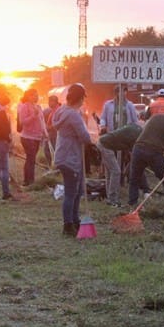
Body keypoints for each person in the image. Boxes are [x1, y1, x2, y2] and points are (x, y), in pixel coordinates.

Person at [129, 98, 164, 215]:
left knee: (134, 179)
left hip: (138, 148)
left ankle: (133, 206)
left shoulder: (155, 117)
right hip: (153, 151)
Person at [52, 83, 93, 237]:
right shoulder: (74, 115)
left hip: (63, 154)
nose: (83, 101)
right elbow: (85, 137)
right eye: (83, 98)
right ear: (79, 98)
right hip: (71, 157)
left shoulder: (61, 110)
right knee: (71, 192)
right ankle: (68, 225)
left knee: (75, 191)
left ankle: (74, 220)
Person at [98, 85, 140, 207]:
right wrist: (103, 126)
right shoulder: (108, 105)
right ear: (115, 93)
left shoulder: (129, 105)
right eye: (118, 92)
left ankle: (114, 192)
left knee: (116, 168)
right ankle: (112, 197)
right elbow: (103, 118)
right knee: (114, 170)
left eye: (123, 92)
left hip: (122, 138)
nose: (121, 94)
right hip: (111, 136)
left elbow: (134, 120)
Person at [17, 88, 44, 187]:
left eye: (37, 95)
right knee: (30, 158)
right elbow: (22, 122)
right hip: (27, 137)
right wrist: (33, 115)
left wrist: (45, 132)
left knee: (31, 159)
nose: (36, 97)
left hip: (37, 137)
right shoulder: (24, 107)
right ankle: (28, 181)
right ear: (28, 96)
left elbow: (41, 120)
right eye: (34, 95)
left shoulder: (38, 107)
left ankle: (29, 180)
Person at [43, 94, 60, 166]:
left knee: (51, 150)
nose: (48, 103)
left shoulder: (57, 111)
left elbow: (56, 124)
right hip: (51, 134)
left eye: (50, 102)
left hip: (54, 134)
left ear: (54, 102)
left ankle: (54, 166)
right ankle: (52, 166)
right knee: (48, 150)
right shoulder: (53, 110)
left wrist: (48, 128)